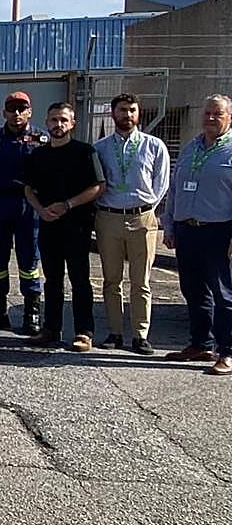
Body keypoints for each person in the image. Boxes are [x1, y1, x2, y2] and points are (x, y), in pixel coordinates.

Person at [92, 93, 171, 355]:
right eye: (122, 110)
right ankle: (115, 332)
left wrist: (147, 208)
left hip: (142, 218)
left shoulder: (154, 145)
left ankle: (140, 335)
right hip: (109, 217)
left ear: (139, 113)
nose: (127, 115)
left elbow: (161, 183)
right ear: (113, 114)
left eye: (132, 110)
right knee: (111, 279)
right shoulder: (100, 148)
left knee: (141, 281)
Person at [23, 103, 105, 351]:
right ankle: (51, 329)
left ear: (72, 124)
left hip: (77, 227)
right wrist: (40, 210)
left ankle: (84, 332)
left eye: (63, 120)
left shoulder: (85, 152)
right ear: (47, 122)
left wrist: (68, 205)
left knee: (80, 280)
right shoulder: (38, 155)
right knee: (52, 281)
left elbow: (98, 186)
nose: (58, 125)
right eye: (54, 120)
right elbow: (28, 188)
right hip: (49, 225)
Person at [161, 94, 232, 375]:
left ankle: (227, 352)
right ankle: (201, 344)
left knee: (224, 294)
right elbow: (175, 189)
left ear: (229, 118)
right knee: (193, 290)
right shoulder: (192, 147)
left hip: (219, 231)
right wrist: (169, 225)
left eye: (218, 114)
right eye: (207, 113)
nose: (210, 118)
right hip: (187, 229)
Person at [0, 91, 46, 333]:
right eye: (12, 109)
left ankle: (31, 314)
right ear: (4, 112)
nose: (16, 113)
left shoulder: (40, 139)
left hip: (29, 208)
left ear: (29, 112)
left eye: (21, 109)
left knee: (29, 262)